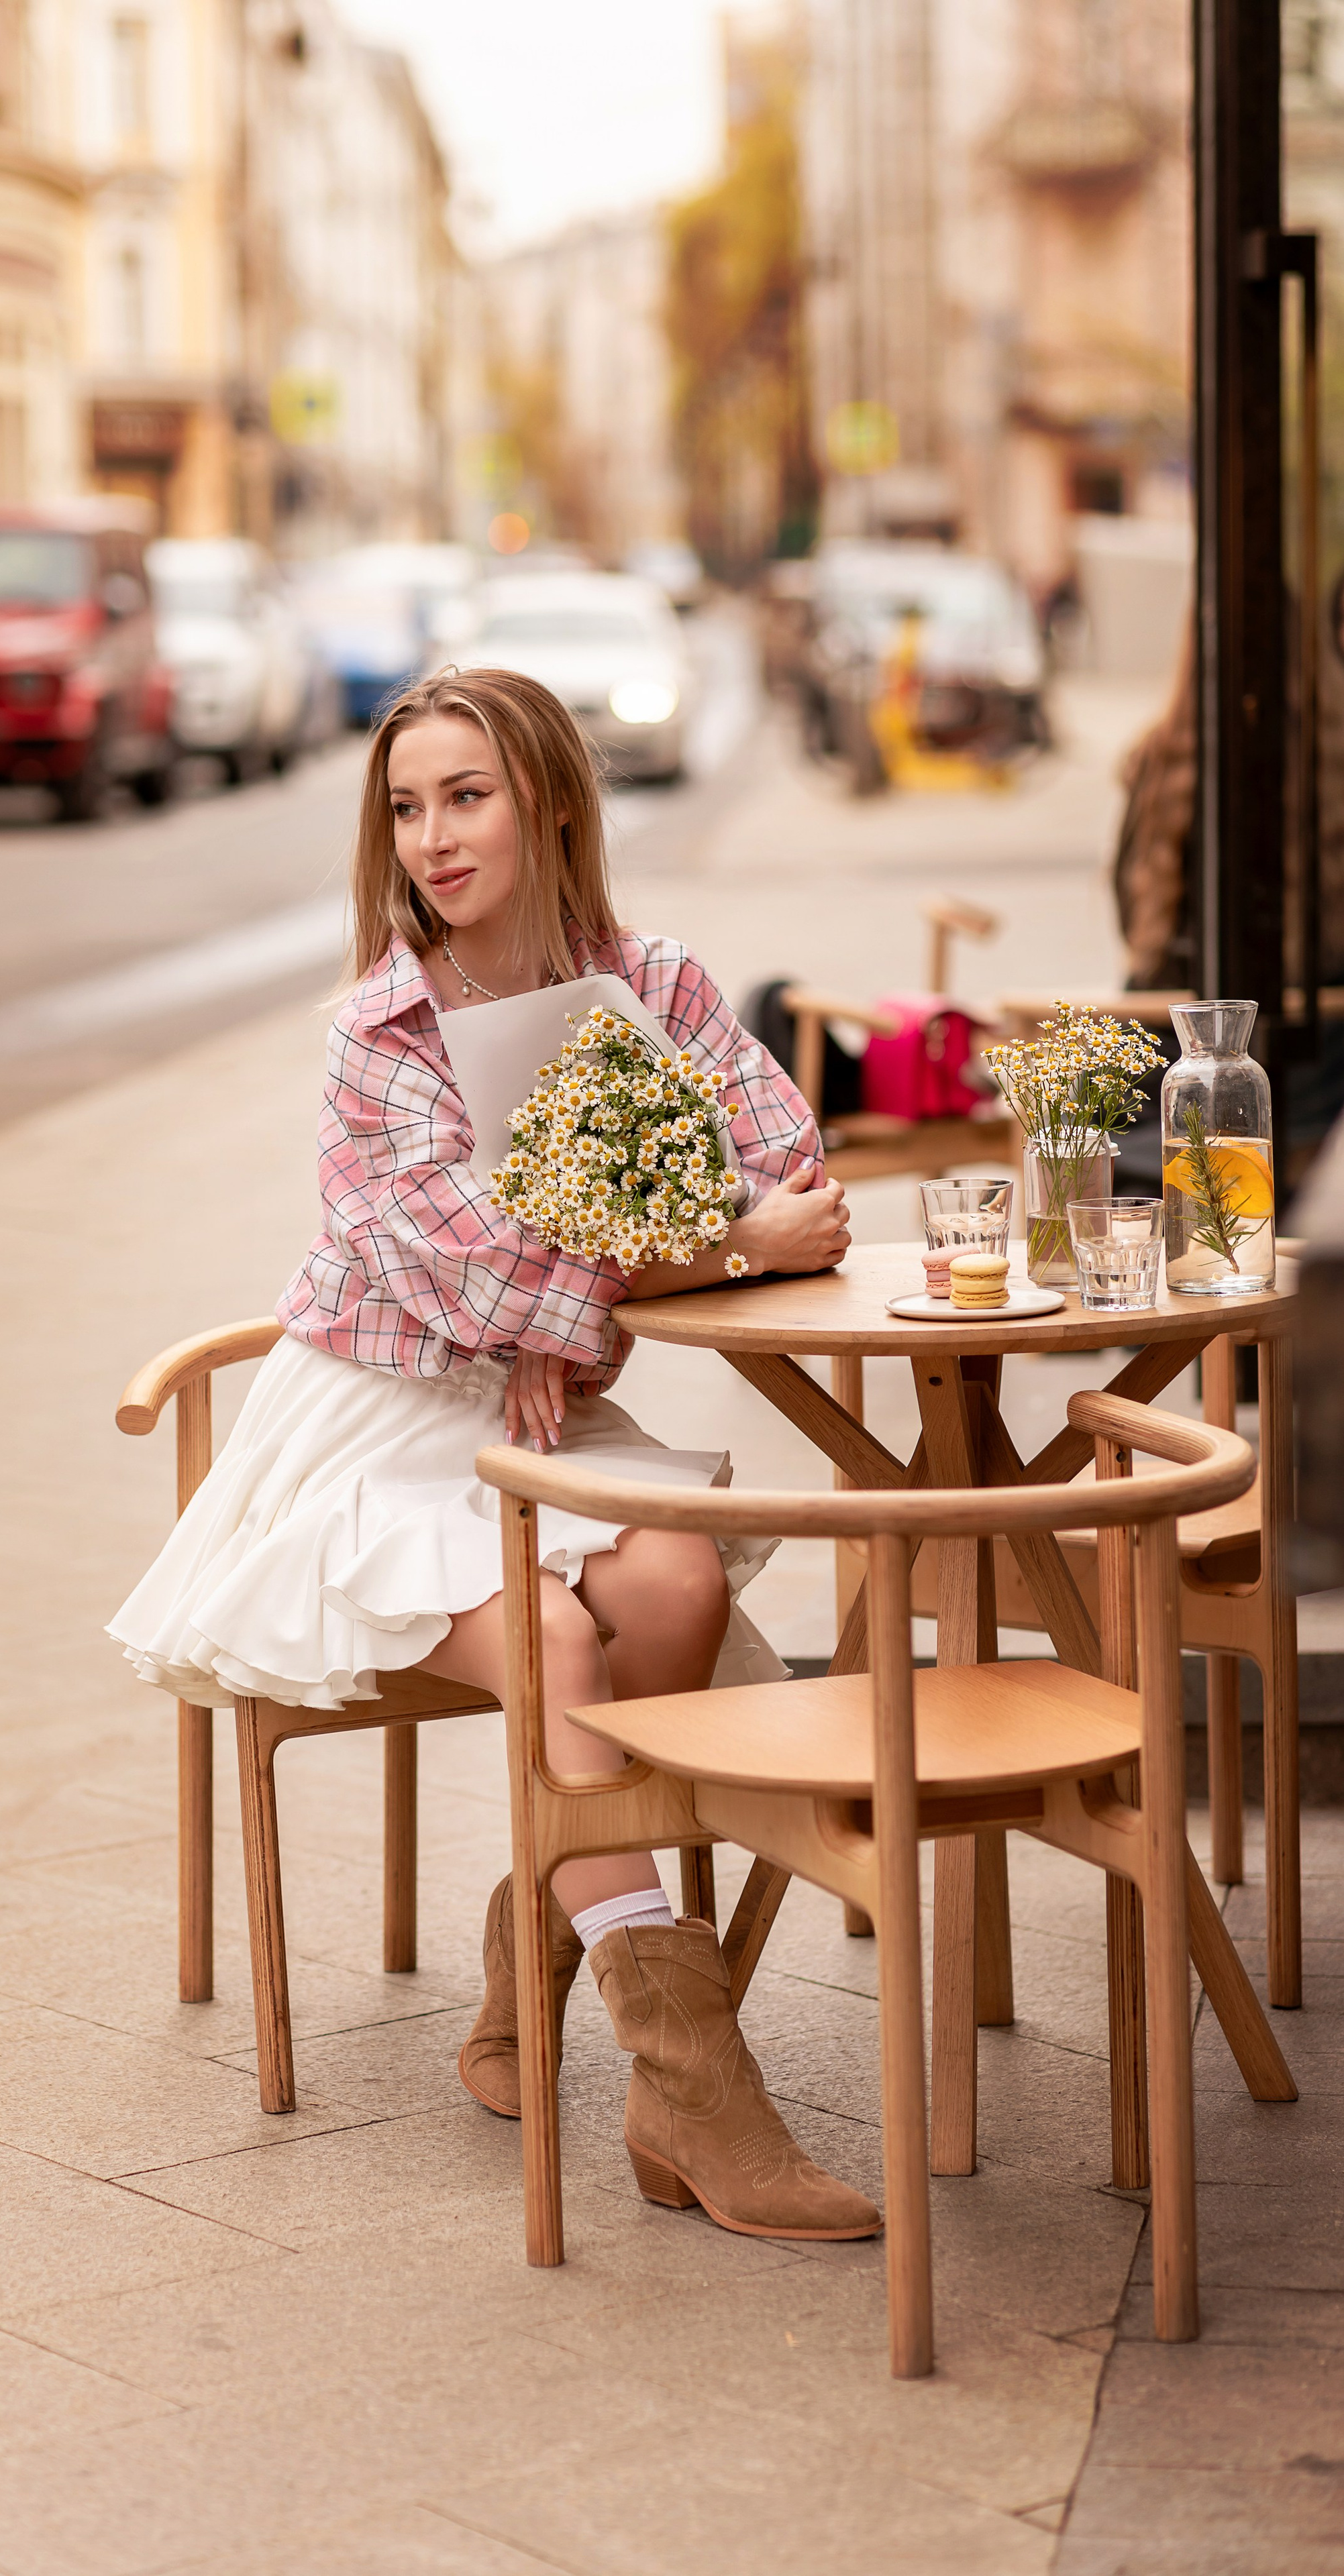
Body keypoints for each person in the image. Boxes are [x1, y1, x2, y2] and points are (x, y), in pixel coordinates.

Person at [109, 667, 880, 2243]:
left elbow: (791, 1167)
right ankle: (699, 2097)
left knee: (664, 1588)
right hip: (374, 1432)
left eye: (465, 796)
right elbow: (480, 1282)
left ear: (546, 802)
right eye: (405, 805)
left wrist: (601, 1272)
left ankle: (527, 1985)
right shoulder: (377, 1035)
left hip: (535, 1419)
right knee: (552, 1643)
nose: (433, 837)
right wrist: (706, 1249)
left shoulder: (647, 983)